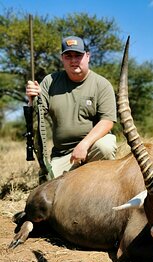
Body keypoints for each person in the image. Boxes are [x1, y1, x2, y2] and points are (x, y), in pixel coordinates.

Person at [26, 36, 117, 178]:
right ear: (62, 58)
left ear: (87, 56)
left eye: (78, 55)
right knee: (49, 187)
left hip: (92, 148)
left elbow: (108, 121)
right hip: (63, 155)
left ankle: (100, 181)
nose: (73, 60)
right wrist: (32, 100)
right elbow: (37, 118)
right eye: (68, 56)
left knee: (105, 147)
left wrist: (84, 145)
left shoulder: (102, 84)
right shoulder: (50, 81)